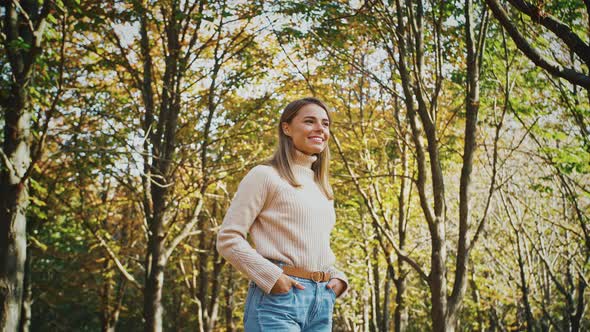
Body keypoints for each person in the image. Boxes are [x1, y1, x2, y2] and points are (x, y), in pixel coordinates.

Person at [216, 97, 349, 331]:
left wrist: (338, 279)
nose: (320, 129)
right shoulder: (265, 175)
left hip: (321, 302)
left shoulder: (322, 187)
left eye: (325, 124)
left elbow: (314, 246)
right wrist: (272, 277)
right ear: (286, 128)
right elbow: (228, 238)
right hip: (278, 301)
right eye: (310, 121)